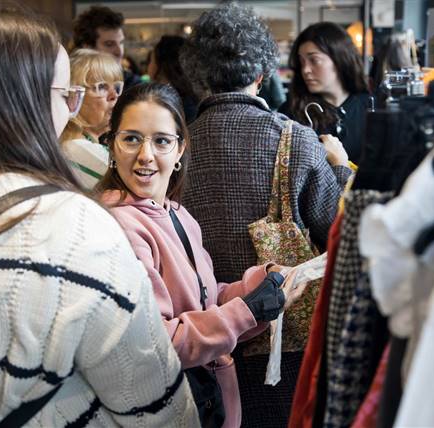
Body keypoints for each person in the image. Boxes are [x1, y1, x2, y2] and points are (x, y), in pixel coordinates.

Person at [0, 1, 198, 426]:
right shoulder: (76, 227)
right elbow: (154, 404)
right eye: (66, 94)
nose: (71, 107)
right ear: (28, 101)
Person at [95, 83, 306, 428]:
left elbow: (204, 302)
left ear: (180, 149)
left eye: (161, 141)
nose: (145, 155)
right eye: (131, 138)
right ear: (112, 146)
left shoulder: (179, 214)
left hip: (207, 403)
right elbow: (153, 342)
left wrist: (258, 284)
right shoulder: (118, 223)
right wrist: (247, 311)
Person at [180, 4, 352, 426]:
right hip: (282, 336)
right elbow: (337, 231)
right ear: (261, 74)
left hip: (200, 337)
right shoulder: (296, 138)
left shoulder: (176, 144)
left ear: (197, 77)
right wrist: (342, 168)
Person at [279, 22, 372, 165]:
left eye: (314, 60)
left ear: (340, 58)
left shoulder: (372, 106)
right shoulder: (290, 113)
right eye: (301, 62)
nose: (305, 70)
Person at [60, 48, 123, 188]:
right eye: (102, 87)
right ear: (73, 97)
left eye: (117, 87)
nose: (114, 95)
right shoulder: (74, 148)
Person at [72, 5, 141, 89]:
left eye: (121, 42)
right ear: (87, 47)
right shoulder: (67, 83)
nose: (120, 52)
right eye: (109, 44)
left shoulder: (133, 85)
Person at [148, 35, 198, 123]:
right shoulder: (192, 99)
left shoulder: (164, 101)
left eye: (151, 60)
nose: (148, 66)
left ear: (160, 64)